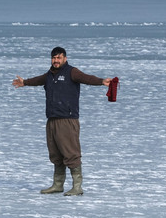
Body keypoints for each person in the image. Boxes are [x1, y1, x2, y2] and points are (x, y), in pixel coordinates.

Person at [12, 47, 112, 196]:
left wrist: (101, 81)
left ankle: (77, 187)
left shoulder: (72, 72)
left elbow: (86, 78)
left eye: (59, 58)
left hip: (67, 119)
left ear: (65, 58)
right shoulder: (49, 75)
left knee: (71, 153)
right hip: (52, 119)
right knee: (56, 153)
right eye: (54, 58)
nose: (56, 61)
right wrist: (25, 82)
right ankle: (57, 185)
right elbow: (38, 80)